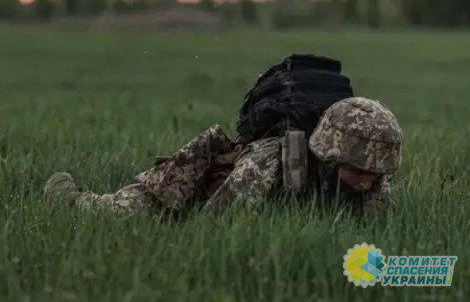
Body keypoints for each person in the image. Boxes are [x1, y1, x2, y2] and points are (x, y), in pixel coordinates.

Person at [44, 96, 403, 218]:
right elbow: (215, 225)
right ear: (331, 155)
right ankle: (67, 195)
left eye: (376, 173)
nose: (368, 181)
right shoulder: (266, 165)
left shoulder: (370, 178)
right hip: (189, 197)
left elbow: (374, 235)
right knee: (112, 214)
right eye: (360, 170)